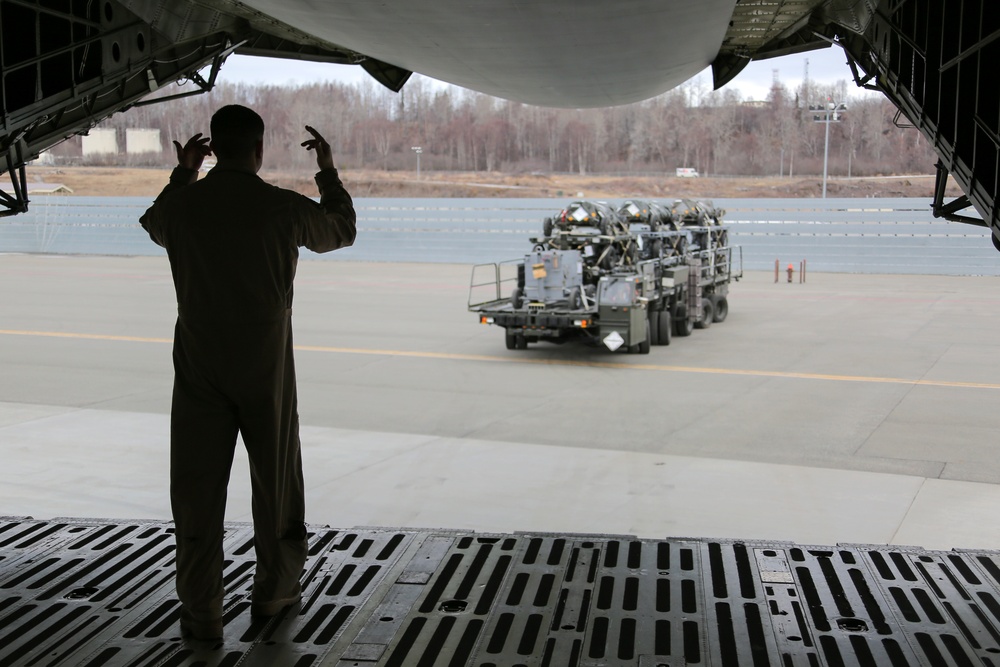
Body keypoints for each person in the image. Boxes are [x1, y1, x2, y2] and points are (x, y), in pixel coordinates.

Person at [139, 105, 356, 641]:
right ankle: (275, 595)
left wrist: (185, 172)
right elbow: (342, 232)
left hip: (199, 367)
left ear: (212, 145)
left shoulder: (184, 207)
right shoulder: (281, 208)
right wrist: (326, 171)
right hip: (264, 368)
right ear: (259, 150)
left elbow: (154, 224)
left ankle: (202, 613)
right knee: (277, 484)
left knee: (196, 491)